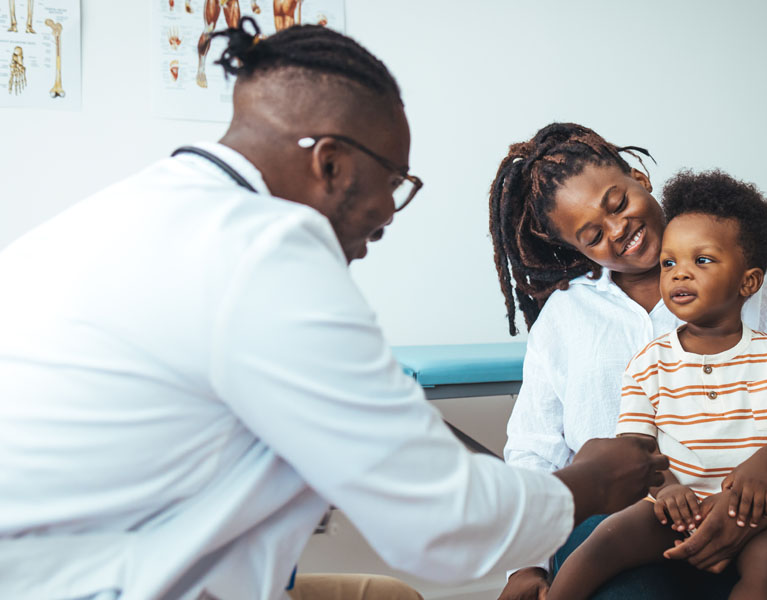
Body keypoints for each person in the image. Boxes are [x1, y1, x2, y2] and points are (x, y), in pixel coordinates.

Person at [0, 22, 669, 600]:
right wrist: (591, 481)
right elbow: (440, 523)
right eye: (394, 184)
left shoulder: (128, 214)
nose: (385, 220)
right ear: (330, 163)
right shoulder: (262, 248)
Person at [489, 123, 767, 599]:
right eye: (592, 234)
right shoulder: (566, 315)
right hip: (624, 514)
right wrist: (524, 565)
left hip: (752, 505)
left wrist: (752, 510)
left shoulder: (745, 273)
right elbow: (535, 449)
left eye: (617, 203)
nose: (618, 231)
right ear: (575, 248)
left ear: (639, 177)